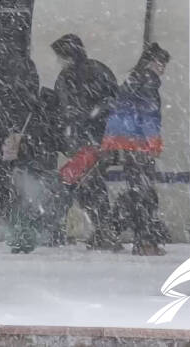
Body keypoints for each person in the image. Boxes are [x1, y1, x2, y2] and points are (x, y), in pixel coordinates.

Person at [50, 34, 120, 249]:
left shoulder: (74, 77)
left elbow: (64, 111)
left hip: (89, 142)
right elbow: (113, 102)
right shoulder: (95, 71)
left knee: (87, 186)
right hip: (92, 141)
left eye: (60, 57)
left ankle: (104, 231)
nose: (58, 61)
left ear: (68, 55)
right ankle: (103, 231)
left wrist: (82, 123)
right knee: (89, 186)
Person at [101, 43, 171, 256]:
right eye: (161, 64)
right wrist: (153, 142)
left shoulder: (132, 80)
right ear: (151, 62)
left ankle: (110, 231)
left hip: (127, 144)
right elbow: (149, 116)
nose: (163, 69)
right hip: (139, 145)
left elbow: (117, 114)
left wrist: (112, 141)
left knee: (137, 192)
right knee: (144, 194)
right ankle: (143, 241)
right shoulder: (148, 81)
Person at [5, 86, 64, 253]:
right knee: (40, 203)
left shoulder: (26, 117)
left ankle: (20, 237)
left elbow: (14, 141)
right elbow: (61, 144)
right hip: (43, 167)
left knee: (25, 203)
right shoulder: (53, 119)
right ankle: (34, 237)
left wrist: (15, 163)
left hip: (25, 167)